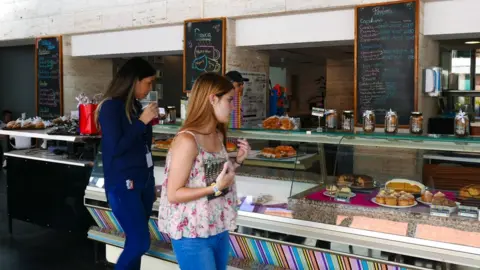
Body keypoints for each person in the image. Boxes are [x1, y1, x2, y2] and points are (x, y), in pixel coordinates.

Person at [158, 73, 251, 270]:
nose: (233, 107)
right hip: (192, 231)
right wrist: (214, 188)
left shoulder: (217, 134)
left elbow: (209, 175)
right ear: (212, 99)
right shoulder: (187, 140)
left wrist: (238, 161)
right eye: (230, 100)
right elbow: (174, 194)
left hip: (217, 225)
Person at [94, 57, 158, 270]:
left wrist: (145, 123)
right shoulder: (111, 108)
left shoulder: (135, 106)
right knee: (140, 242)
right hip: (123, 184)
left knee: (135, 241)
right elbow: (116, 148)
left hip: (144, 182)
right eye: (148, 83)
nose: (150, 88)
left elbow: (142, 144)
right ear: (134, 81)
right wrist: (142, 123)